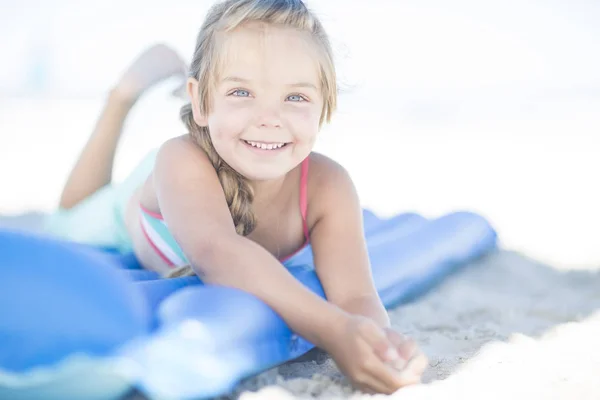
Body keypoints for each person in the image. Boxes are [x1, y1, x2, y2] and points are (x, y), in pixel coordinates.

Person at [47, 0, 428, 394]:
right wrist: (335, 330)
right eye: (241, 91)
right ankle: (122, 96)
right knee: (66, 224)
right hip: (155, 193)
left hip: (210, 161)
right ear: (199, 101)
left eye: (295, 97)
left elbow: (356, 295)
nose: (269, 117)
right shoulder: (179, 159)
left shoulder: (328, 185)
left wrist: (378, 343)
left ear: (325, 107)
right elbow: (218, 253)